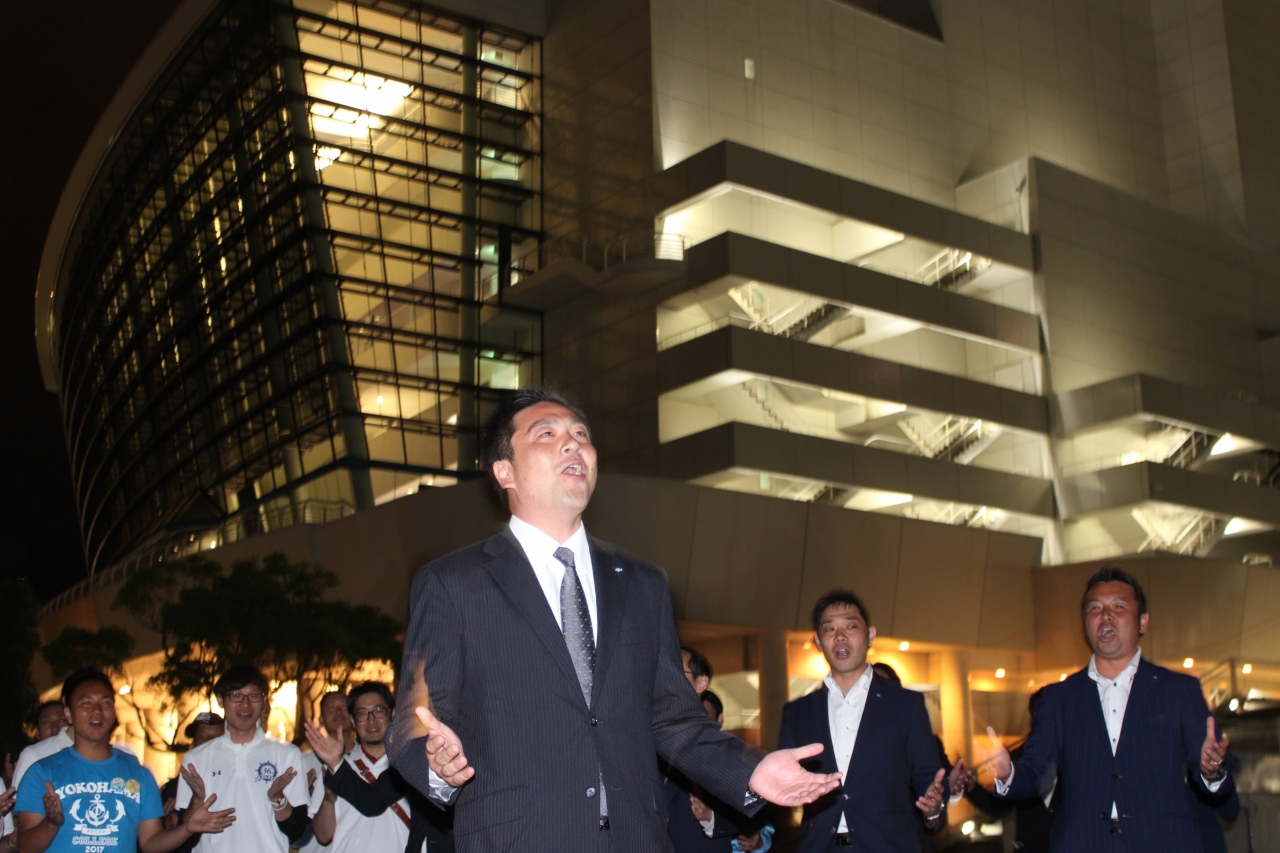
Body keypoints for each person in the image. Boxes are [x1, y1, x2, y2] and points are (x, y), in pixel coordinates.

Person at [385, 387, 840, 852]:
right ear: (504, 471)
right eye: (547, 434)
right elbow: (410, 724)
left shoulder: (642, 583)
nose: (573, 443)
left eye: (581, 434)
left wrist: (752, 770)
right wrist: (437, 766)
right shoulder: (453, 583)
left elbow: (674, 717)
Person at [984, 566, 1233, 852]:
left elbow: (1217, 772)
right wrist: (1008, 773)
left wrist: (1213, 770)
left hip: (1162, 843)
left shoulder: (1179, 690)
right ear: (1084, 624)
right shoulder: (1059, 698)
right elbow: (1038, 770)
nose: (1105, 616)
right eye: (1095, 608)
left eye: (1118, 606)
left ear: (1142, 622)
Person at [777, 590, 947, 852]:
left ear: (870, 636)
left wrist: (934, 805)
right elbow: (780, 780)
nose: (840, 636)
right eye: (829, 628)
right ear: (818, 641)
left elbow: (927, 774)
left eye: (851, 626)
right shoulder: (798, 712)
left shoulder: (905, 704)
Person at [13, 667, 234, 853]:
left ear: (114, 712)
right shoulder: (42, 772)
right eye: (86, 703)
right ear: (69, 714)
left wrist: (187, 829)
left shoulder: (138, 773)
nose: (97, 711)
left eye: (105, 703)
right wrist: (52, 823)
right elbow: (25, 846)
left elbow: (150, 842)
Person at [175, 666, 311, 852]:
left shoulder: (287, 754)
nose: (245, 704)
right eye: (236, 696)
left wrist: (278, 799)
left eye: (254, 696)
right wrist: (197, 800)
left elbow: (296, 831)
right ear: (221, 700)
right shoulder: (196, 758)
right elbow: (185, 838)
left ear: (264, 700)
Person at [305, 682, 453, 852]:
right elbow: (323, 836)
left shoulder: (410, 765)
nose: (371, 720)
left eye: (379, 711)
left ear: (392, 714)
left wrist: (336, 764)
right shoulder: (336, 768)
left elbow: (371, 802)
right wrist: (328, 801)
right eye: (362, 713)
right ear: (353, 720)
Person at [296, 691, 353, 853]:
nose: (339, 712)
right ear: (321, 719)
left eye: (344, 706)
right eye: (331, 707)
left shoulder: (366, 760)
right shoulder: (302, 761)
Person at [160, 714, 225, 853]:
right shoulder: (174, 788)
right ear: (193, 743)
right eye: (202, 736)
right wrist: (164, 825)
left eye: (217, 736)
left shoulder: (238, 781)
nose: (209, 742)